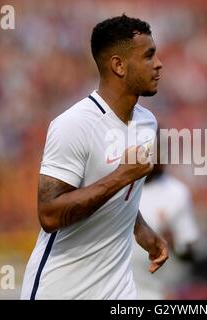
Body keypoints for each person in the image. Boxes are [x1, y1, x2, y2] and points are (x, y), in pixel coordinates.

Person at [21, 14, 168, 300]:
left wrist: (142, 230)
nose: (159, 64)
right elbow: (49, 215)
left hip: (117, 290)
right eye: (149, 56)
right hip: (62, 289)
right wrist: (121, 176)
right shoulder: (74, 124)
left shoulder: (147, 123)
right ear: (118, 65)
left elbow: (121, 190)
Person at [131, 132, 200, 299]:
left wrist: (175, 242)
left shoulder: (176, 192)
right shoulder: (120, 186)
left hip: (157, 291)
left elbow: (189, 253)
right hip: (117, 289)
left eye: (161, 149)